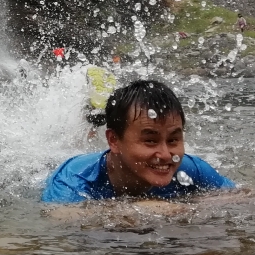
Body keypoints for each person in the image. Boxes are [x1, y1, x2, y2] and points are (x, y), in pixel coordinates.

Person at [41, 79, 235, 203]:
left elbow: (247, 199)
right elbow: (61, 218)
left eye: (173, 140)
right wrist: (144, 209)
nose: (166, 155)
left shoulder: (192, 171)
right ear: (114, 140)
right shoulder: (74, 180)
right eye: (150, 141)